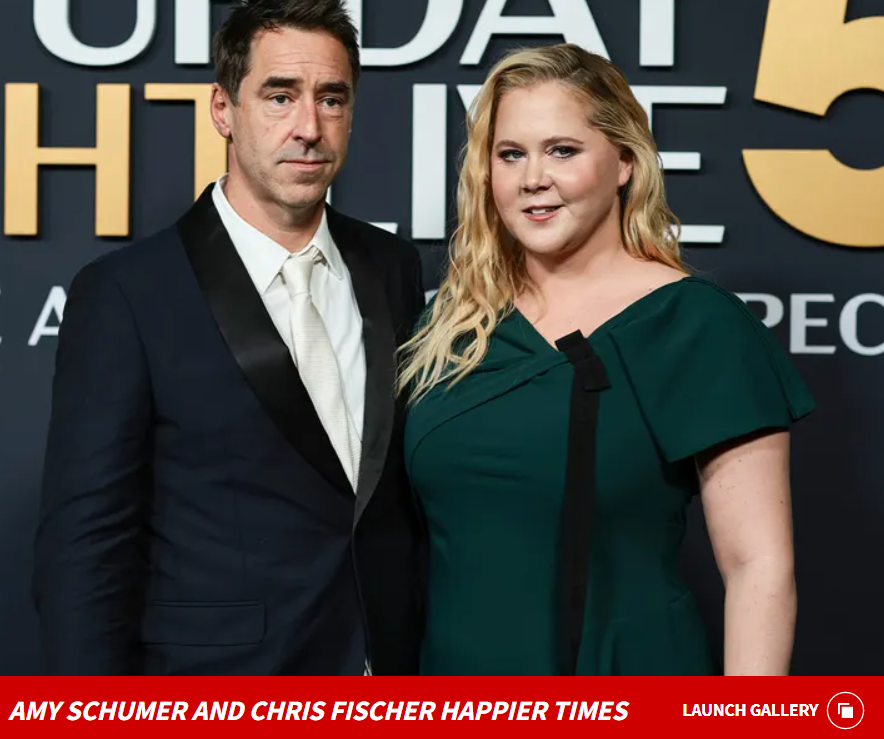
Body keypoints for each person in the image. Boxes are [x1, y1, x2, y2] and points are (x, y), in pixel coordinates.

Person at [34, 0, 425, 676]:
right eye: (280, 96)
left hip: (385, 677)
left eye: (332, 99)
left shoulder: (391, 267)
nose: (309, 127)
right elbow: (85, 547)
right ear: (223, 109)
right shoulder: (127, 292)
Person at [399, 43, 815, 676]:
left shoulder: (694, 326)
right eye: (511, 154)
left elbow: (758, 567)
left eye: (562, 150)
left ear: (625, 162)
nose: (533, 178)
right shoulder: (451, 326)